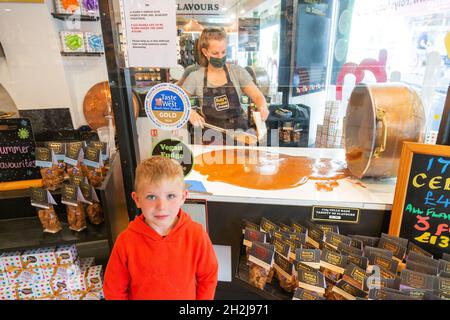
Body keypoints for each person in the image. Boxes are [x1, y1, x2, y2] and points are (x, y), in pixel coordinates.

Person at [103, 156, 218, 300]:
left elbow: (208, 277)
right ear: (137, 199)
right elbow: (114, 289)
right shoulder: (125, 242)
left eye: (170, 196)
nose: (162, 206)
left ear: (183, 197)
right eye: (151, 197)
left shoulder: (196, 235)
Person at [182, 28, 269, 136]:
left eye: (223, 52)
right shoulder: (195, 77)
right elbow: (176, 101)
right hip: (210, 138)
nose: (220, 57)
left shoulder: (237, 72)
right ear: (205, 52)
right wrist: (188, 112)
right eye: (215, 53)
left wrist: (262, 107)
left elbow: (257, 96)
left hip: (240, 136)